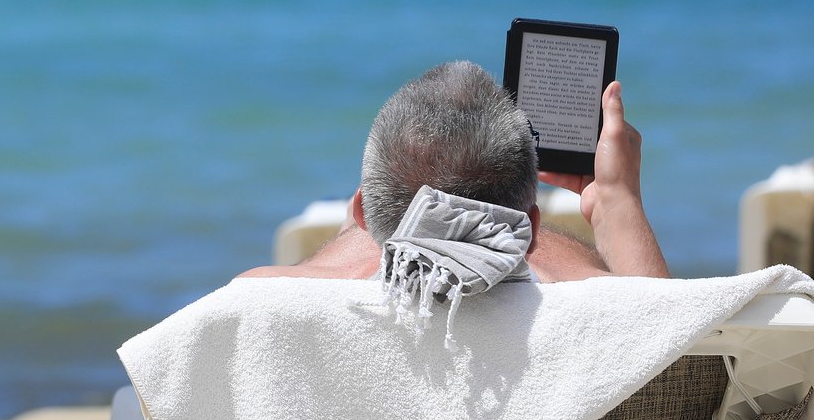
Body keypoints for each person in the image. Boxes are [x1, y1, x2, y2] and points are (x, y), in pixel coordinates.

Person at [241, 60, 669, 282]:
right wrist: (618, 200)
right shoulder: (598, 315)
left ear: (360, 211)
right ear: (531, 232)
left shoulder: (258, 303)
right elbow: (671, 346)